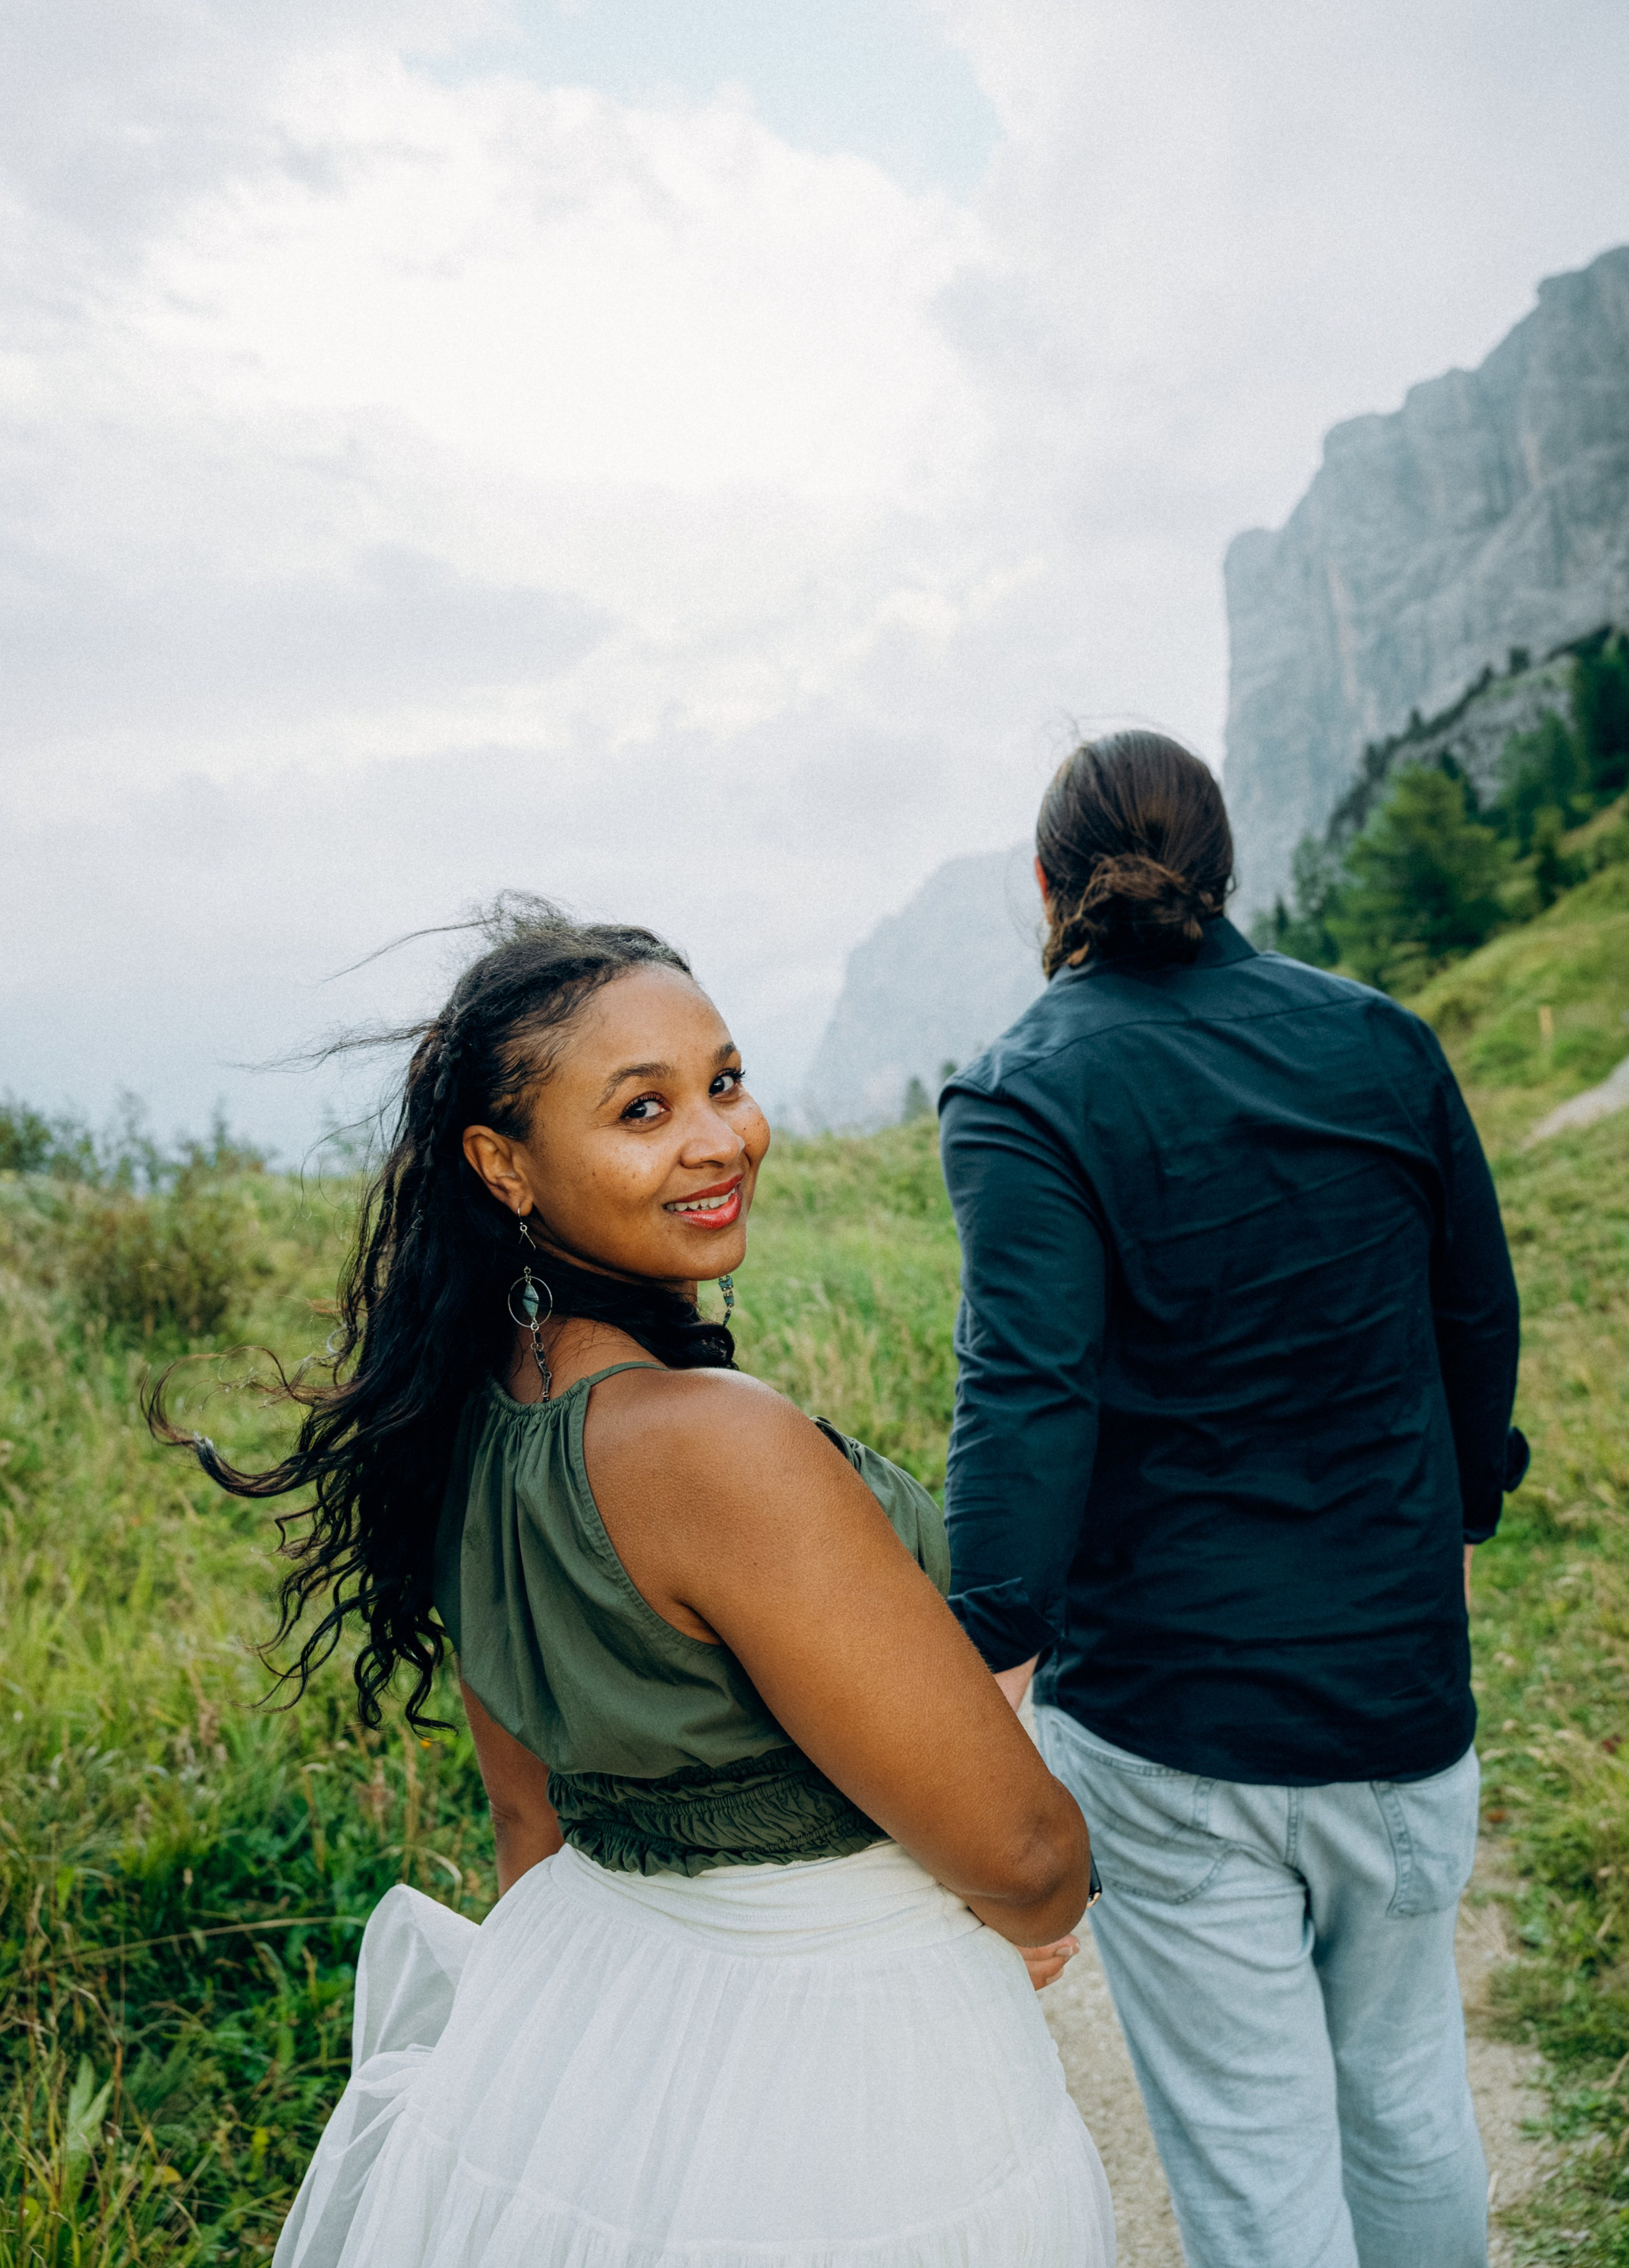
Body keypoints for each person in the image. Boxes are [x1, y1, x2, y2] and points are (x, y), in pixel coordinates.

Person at [154, 899, 1113, 2268]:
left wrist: (603, 2064)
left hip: (593, 1997)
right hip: (840, 2042)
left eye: (722, 1083)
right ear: (504, 1165)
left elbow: (524, 1811)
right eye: (642, 1111)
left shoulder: (453, 1420)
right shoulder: (710, 1445)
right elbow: (1020, 1850)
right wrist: (1038, 1912)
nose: (719, 1137)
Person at [938, 734, 1529, 2268]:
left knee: (1256, 2166)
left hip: (1167, 1728)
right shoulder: (1379, 1043)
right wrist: (1459, 1525)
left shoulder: (1022, 1095)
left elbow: (1027, 1392)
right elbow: (1474, 1313)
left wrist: (982, 1669)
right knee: (1408, 2103)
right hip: (1395, 1697)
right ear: (1225, 866)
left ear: (1046, 885)